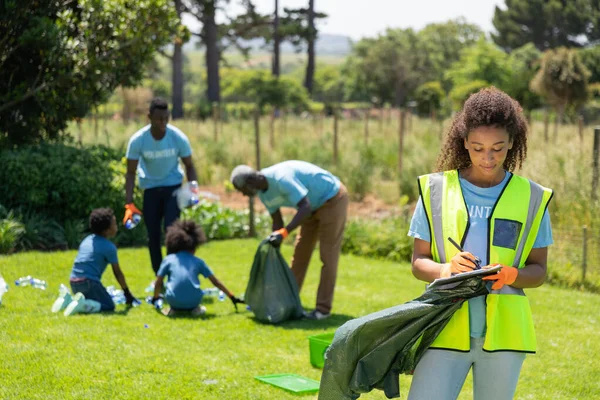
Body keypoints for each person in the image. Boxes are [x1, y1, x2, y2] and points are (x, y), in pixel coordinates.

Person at [406, 87, 553, 400]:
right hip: (442, 326)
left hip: (505, 335)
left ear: (512, 142)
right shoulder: (435, 190)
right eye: (477, 148)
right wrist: (446, 268)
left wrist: (512, 275)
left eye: (498, 148)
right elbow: (419, 262)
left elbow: (539, 270)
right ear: (464, 143)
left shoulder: (533, 198)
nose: (488, 158)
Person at [230, 160, 349, 320]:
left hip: (332, 198)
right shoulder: (263, 193)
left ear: (251, 181)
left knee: (327, 256)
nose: (244, 195)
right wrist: (275, 245)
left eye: (243, 190)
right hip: (311, 207)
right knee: (300, 254)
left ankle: (322, 310)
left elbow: (304, 207)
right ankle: (289, 301)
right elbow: (277, 221)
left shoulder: (281, 178)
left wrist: (285, 233)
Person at [124, 97, 199, 275]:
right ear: (149, 117)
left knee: (172, 233)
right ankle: (159, 276)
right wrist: (129, 203)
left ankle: (175, 274)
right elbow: (130, 172)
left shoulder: (178, 137)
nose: (163, 122)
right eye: (159, 119)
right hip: (150, 190)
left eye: (166, 118)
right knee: (153, 236)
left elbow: (189, 165)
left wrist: (192, 191)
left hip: (173, 189)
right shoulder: (138, 140)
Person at [53, 208, 140, 316]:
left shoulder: (87, 239)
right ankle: (83, 305)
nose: (116, 226)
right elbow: (117, 273)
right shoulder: (109, 247)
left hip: (73, 282)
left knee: (92, 298)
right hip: (89, 283)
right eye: (114, 224)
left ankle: (67, 299)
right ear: (107, 230)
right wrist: (127, 293)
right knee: (108, 306)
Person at [148, 220, 244, 316]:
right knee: (198, 304)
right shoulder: (198, 262)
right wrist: (232, 297)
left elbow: (158, 282)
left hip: (173, 301)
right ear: (194, 245)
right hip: (194, 301)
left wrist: (156, 298)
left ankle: (173, 309)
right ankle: (195, 309)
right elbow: (216, 282)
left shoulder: (168, 260)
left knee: (174, 299)